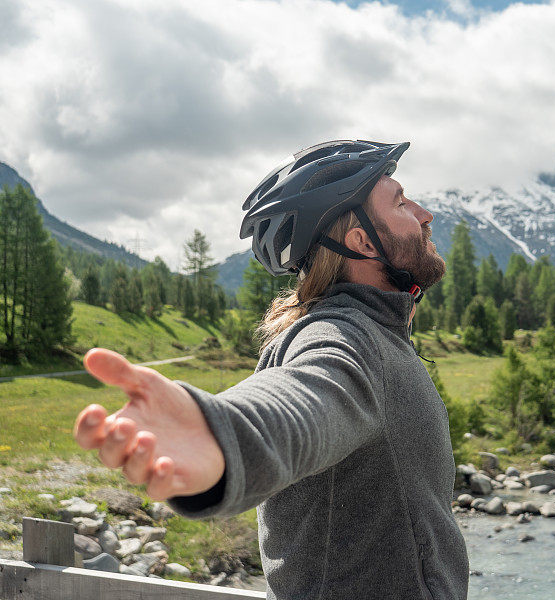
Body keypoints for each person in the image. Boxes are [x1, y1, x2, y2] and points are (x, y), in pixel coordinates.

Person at [74, 140, 470, 599]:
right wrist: (218, 432)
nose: (425, 214)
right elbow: (306, 397)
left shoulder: (380, 336)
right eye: (401, 202)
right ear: (362, 242)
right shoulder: (346, 339)